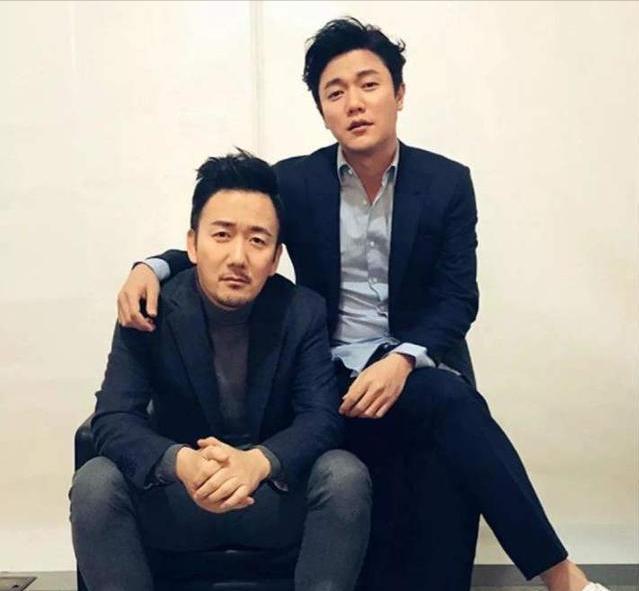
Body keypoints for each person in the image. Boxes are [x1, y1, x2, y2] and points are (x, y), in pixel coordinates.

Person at [116, 18, 610, 591]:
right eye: (335, 92)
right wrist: (152, 266)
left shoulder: (447, 183)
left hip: (412, 369)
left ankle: (561, 577)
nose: (354, 102)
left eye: (369, 84)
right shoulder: (295, 183)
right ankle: (563, 578)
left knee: (450, 404)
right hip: (329, 374)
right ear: (323, 111)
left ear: (398, 94)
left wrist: (401, 361)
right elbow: (233, 238)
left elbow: (458, 297)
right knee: (437, 422)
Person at [70, 151, 372, 591]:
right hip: (178, 499)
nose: (238, 257)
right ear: (193, 245)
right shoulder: (149, 307)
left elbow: (321, 418)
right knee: (95, 483)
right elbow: (114, 418)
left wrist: (257, 462)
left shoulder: (302, 311)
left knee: (344, 475)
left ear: (275, 257)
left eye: (257, 241)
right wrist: (181, 463)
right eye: (222, 235)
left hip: (267, 497)